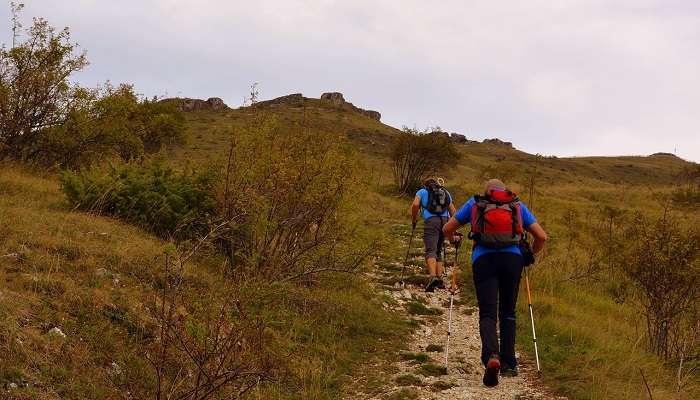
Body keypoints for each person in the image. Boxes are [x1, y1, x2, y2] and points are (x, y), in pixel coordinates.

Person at [443, 179, 547, 387]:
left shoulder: (475, 203)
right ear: (504, 191)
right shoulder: (517, 205)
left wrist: (454, 240)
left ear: (487, 191)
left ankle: (492, 356)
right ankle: (509, 363)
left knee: (488, 313)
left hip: (484, 260)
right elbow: (542, 237)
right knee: (508, 312)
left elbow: (448, 228)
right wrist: (529, 255)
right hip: (512, 260)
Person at [410, 178, 457, 292]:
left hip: (431, 221)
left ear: (425, 185)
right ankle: (439, 279)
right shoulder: (445, 192)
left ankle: (432, 278)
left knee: (430, 250)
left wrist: (414, 218)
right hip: (445, 221)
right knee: (438, 250)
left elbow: (415, 204)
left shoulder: (422, 191)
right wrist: (452, 226)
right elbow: (453, 211)